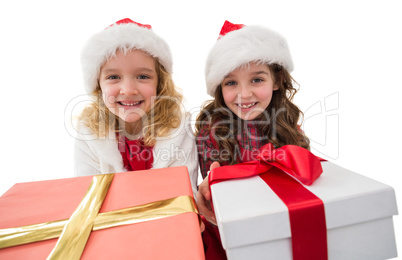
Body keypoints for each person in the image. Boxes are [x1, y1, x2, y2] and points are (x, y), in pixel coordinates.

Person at [195, 20, 310, 258]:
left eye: (257, 80)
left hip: (280, 228)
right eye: (231, 82)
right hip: (228, 233)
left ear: (277, 81)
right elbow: (217, 195)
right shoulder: (212, 130)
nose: (244, 94)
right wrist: (206, 194)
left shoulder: (288, 126)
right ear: (219, 86)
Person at [74, 18, 198, 196]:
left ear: (160, 83)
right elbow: (87, 199)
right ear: (98, 85)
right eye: (113, 77)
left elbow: (185, 196)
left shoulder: (177, 128)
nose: (129, 90)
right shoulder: (89, 132)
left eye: (142, 77)